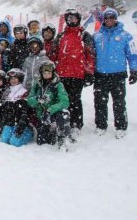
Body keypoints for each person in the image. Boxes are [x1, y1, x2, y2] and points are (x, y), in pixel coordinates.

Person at [92, 8, 137, 139]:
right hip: (100, 74)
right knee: (100, 102)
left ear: (116, 19)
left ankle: (121, 126)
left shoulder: (126, 35)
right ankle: (101, 125)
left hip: (118, 74)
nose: (110, 20)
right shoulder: (97, 36)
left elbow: (133, 55)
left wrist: (134, 70)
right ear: (104, 19)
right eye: (107, 18)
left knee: (119, 102)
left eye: (112, 17)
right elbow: (90, 55)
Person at [50, 8, 95, 137]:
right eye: (69, 18)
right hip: (62, 74)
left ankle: (76, 124)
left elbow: (90, 55)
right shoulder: (61, 35)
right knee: (62, 99)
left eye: (74, 18)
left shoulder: (84, 35)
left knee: (75, 99)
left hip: (77, 74)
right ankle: (63, 121)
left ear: (78, 20)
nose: (72, 20)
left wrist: (89, 72)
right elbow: (54, 54)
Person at [27, 61, 72, 150]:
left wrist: (50, 110)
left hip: (53, 114)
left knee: (64, 113)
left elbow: (64, 102)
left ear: (53, 72)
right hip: (42, 116)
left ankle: (63, 138)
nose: (46, 75)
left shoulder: (58, 85)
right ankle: (51, 131)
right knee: (42, 142)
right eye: (44, 73)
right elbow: (29, 100)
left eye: (49, 73)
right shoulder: (37, 85)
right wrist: (37, 99)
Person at [0, 69, 34, 148]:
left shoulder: (24, 92)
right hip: (10, 123)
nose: (13, 80)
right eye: (11, 78)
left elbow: (26, 113)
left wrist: (21, 125)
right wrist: (3, 124)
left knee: (14, 142)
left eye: (15, 78)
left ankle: (29, 133)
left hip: (22, 124)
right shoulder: (7, 92)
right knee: (3, 141)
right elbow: (5, 111)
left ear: (20, 79)